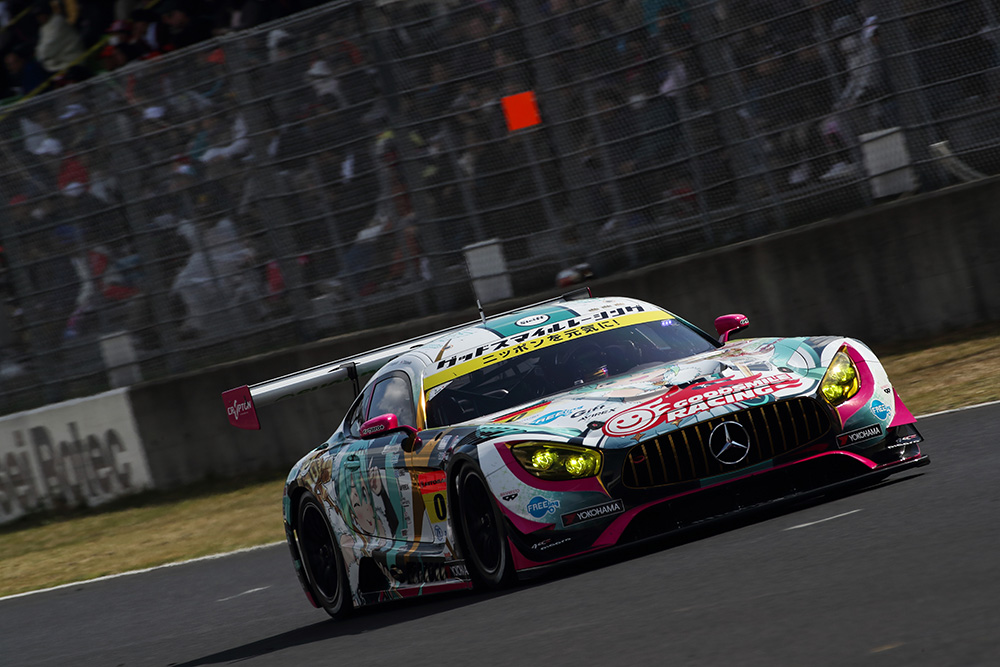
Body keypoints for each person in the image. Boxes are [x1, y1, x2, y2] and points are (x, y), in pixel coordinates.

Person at [33, 1, 84, 73]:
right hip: (60, 63)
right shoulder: (43, 28)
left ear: (47, 12)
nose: (40, 18)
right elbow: (41, 47)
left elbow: (48, 48)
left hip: (73, 59)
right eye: (37, 16)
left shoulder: (58, 22)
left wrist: (38, 55)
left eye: (41, 14)